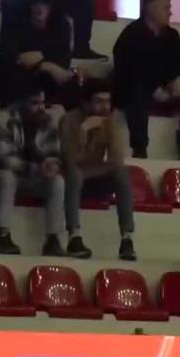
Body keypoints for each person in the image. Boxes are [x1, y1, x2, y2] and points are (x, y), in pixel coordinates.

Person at [111, 0, 180, 158]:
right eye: (166, 8)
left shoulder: (171, 35)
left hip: (167, 87)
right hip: (139, 89)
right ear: (151, 9)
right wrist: (153, 89)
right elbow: (128, 71)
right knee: (135, 90)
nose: (170, 12)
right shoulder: (131, 35)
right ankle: (139, 148)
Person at [61, 79, 136, 260]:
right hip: (71, 181)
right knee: (74, 174)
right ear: (85, 103)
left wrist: (88, 171)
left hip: (94, 177)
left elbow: (116, 160)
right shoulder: (69, 120)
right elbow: (70, 161)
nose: (105, 107)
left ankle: (127, 239)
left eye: (108, 101)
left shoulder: (114, 118)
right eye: (99, 102)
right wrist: (83, 132)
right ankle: (74, 237)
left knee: (122, 174)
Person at [0, 84, 65, 256]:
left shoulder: (48, 120)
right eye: (35, 103)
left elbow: (54, 152)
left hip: (35, 176)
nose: (41, 108)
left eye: (43, 103)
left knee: (58, 181)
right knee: (6, 177)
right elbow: (4, 157)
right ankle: (3, 236)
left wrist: (52, 164)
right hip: (11, 174)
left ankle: (53, 239)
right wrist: (34, 168)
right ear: (21, 103)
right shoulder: (4, 119)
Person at [0, 0, 78, 108]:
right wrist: (41, 62)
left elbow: (63, 59)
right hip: (18, 70)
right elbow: (7, 51)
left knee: (68, 81)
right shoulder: (17, 19)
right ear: (30, 4)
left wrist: (43, 63)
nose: (40, 9)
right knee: (4, 70)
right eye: (36, 4)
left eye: (45, 5)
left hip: (47, 73)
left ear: (51, 7)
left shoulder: (61, 24)